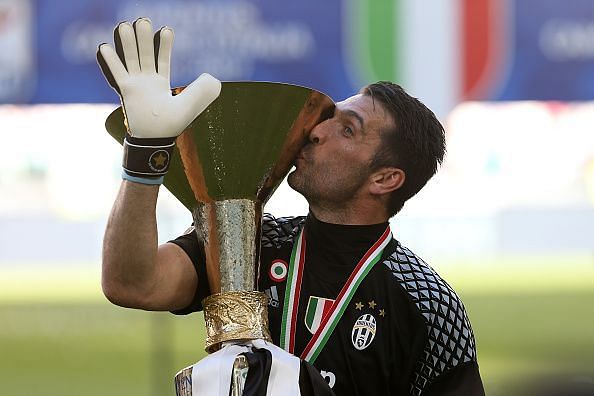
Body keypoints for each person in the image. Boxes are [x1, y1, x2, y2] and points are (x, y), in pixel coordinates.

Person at [99, 18, 485, 396]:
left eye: (347, 129)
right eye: (329, 120)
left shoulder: (428, 303)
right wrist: (145, 154)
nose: (317, 131)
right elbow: (132, 284)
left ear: (385, 179)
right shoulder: (250, 238)